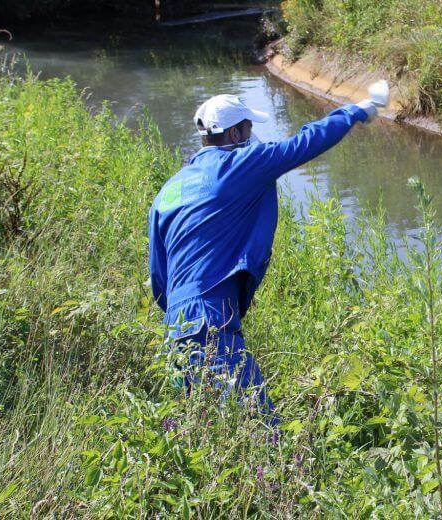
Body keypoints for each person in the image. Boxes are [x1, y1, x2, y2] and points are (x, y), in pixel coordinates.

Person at [148, 91, 382, 415]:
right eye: (247, 128)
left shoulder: (167, 191)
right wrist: (357, 111)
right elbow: (304, 143)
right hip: (210, 316)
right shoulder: (241, 165)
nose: (251, 135)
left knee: (201, 429)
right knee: (258, 427)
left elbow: (160, 279)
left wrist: (182, 313)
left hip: (175, 327)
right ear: (234, 134)